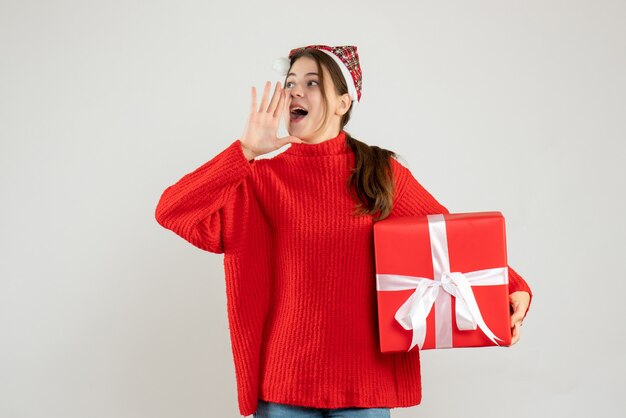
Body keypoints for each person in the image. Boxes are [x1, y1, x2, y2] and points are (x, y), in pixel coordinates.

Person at [154, 44, 532, 418]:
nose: (295, 91)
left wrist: (513, 286)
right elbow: (172, 210)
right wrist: (245, 152)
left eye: (312, 82)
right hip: (285, 388)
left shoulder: (380, 174)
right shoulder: (258, 181)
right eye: (290, 83)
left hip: (366, 388)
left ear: (343, 102)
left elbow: (449, 242)